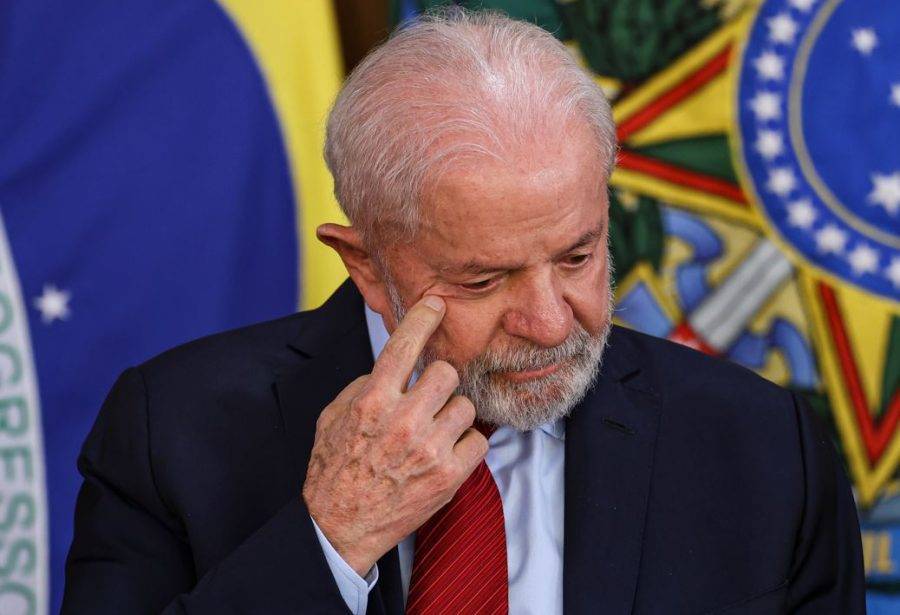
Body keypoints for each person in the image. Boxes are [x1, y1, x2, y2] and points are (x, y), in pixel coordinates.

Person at [62, 9, 865, 615]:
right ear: (369, 265)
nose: (552, 322)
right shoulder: (171, 431)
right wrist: (330, 539)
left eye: (577, 256)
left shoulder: (762, 449)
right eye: (486, 281)